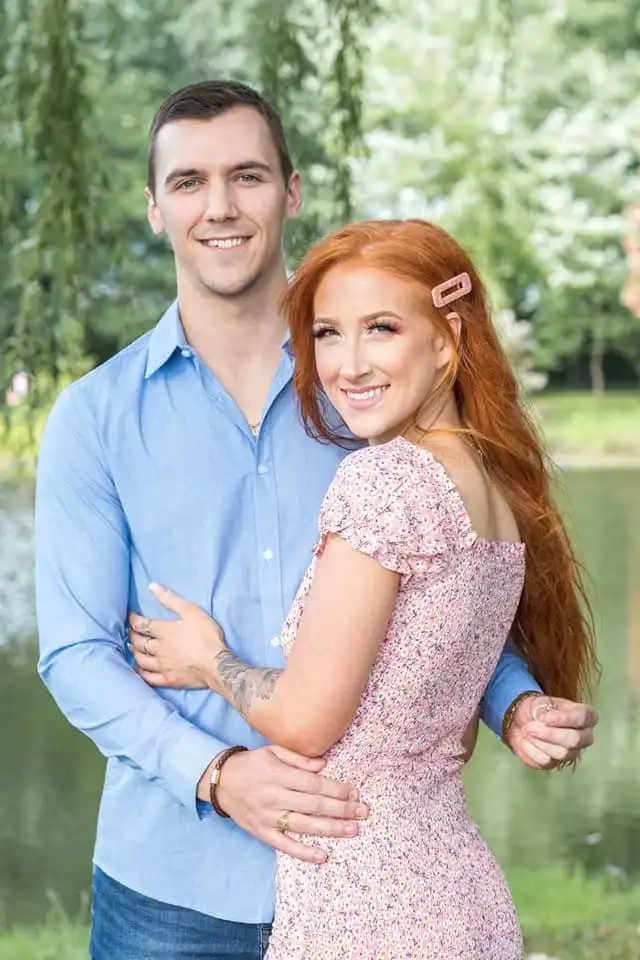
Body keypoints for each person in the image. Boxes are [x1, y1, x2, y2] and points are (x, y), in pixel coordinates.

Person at [35, 80, 598, 960]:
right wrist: (217, 776)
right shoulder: (96, 417)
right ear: (154, 208)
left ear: (290, 193)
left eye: (247, 176)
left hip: (368, 883)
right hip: (174, 890)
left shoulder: (371, 387)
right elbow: (75, 655)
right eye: (188, 182)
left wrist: (511, 700)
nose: (220, 207)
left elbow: (437, 593)